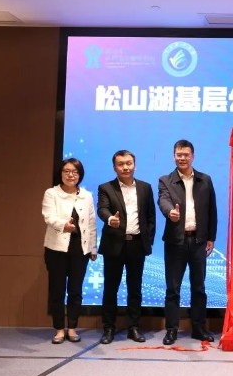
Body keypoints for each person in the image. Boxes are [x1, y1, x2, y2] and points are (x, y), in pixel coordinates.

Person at [158, 140, 218, 345]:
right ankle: (171, 330)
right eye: (178, 154)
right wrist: (170, 212)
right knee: (173, 288)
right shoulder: (166, 180)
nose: (182, 158)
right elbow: (163, 200)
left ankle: (199, 328)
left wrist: (211, 237)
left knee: (199, 287)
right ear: (173, 156)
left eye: (186, 154)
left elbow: (212, 210)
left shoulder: (205, 180)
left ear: (193, 156)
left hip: (199, 241)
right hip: (176, 241)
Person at [97, 150, 156, 344]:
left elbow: (150, 217)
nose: (125, 167)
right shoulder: (106, 188)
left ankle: (134, 327)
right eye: (121, 164)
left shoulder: (145, 188)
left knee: (135, 288)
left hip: (137, 244)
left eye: (129, 163)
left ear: (134, 165)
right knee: (110, 288)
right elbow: (102, 209)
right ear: (114, 167)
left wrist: (148, 240)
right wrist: (109, 219)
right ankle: (109, 328)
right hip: (114, 244)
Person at [41, 158, 97, 344]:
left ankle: (72, 327)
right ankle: (59, 329)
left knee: (75, 290)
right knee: (57, 290)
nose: (71, 175)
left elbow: (91, 223)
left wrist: (93, 247)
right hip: (56, 248)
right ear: (61, 173)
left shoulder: (87, 195)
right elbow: (48, 216)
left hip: (80, 249)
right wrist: (63, 225)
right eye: (66, 171)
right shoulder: (52, 193)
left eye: (75, 172)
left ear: (80, 175)